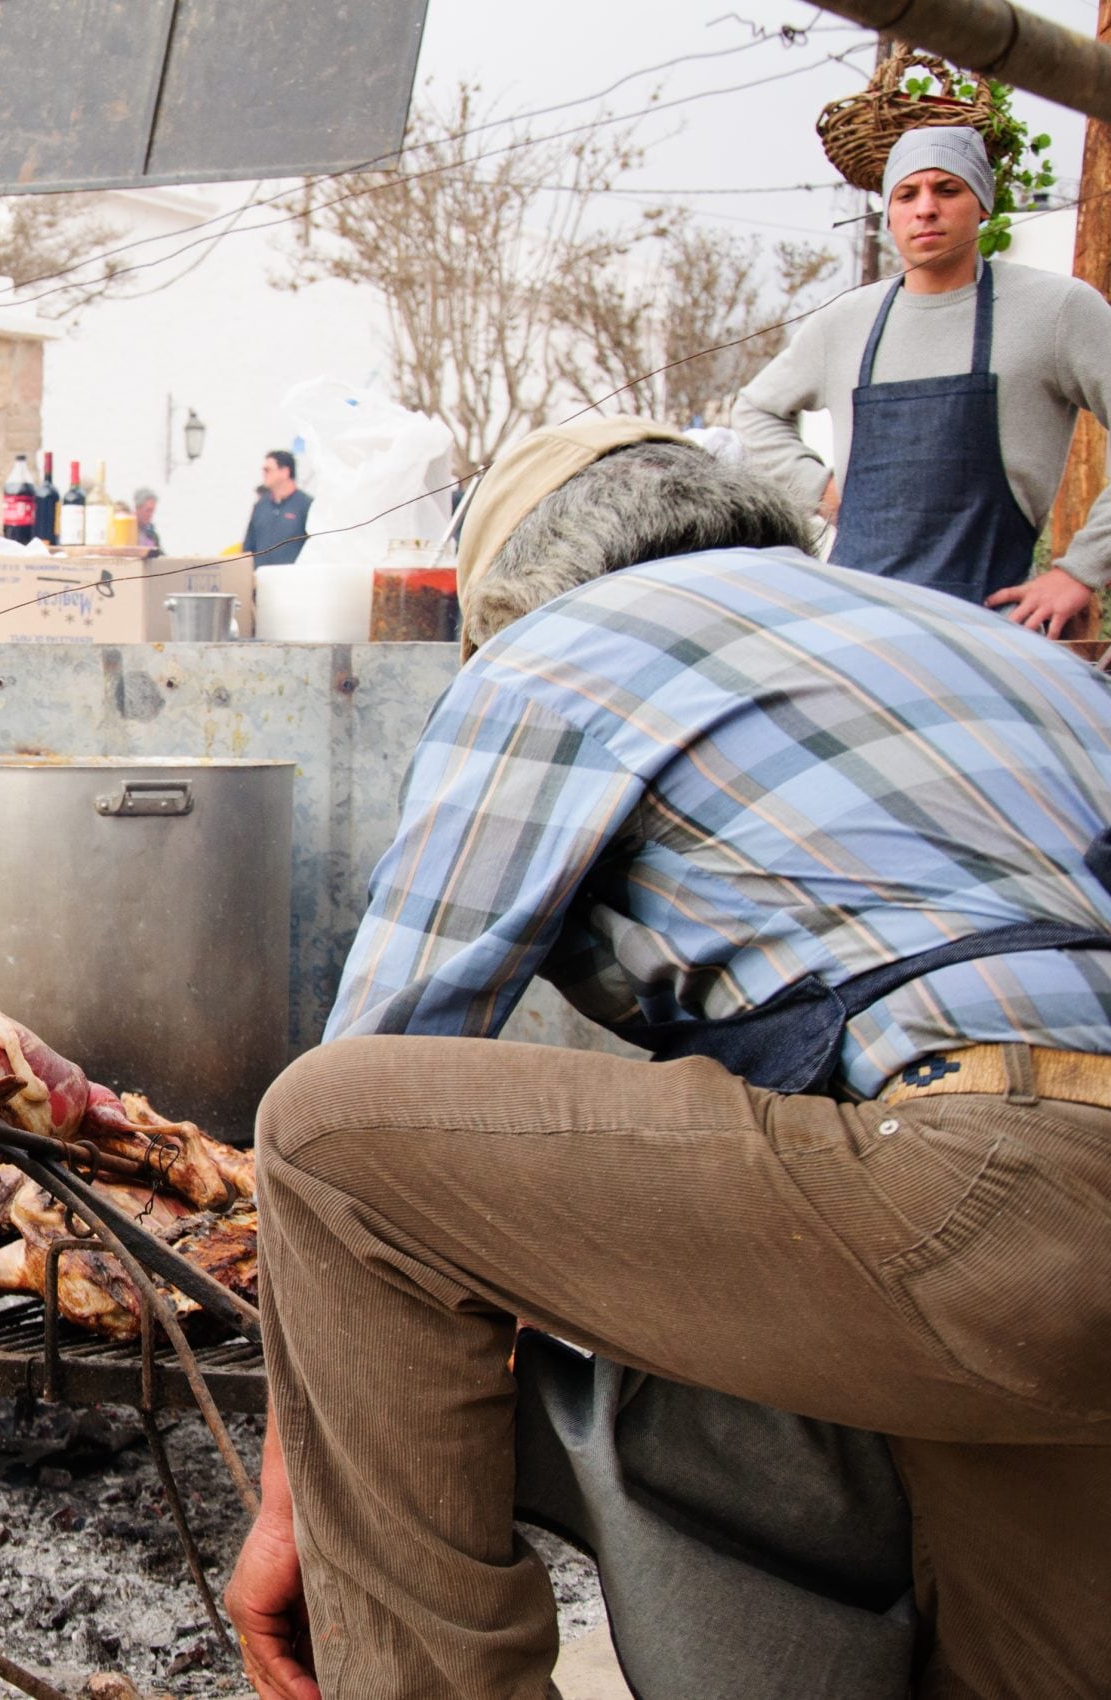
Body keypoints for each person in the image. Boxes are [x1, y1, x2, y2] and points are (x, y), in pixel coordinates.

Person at [225, 418, 1111, 1699]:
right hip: (1037, 1257)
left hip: (975, 1190)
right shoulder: (1011, 652)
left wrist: (290, 1496)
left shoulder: (562, 650)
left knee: (325, 1135)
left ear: (513, 594)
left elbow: (397, 1035)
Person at [735, 125, 1111, 635]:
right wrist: (820, 489)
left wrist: (1080, 571)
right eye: (907, 194)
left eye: (947, 189)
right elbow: (754, 409)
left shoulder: (1057, 309)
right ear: (888, 215)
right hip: (858, 625)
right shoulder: (845, 321)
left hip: (995, 628)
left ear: (983, 203)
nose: (925, 208)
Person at [241, 450, 311, 564]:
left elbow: (315, 546)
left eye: (267, 470)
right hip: (261, 577)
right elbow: (248, 546)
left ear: (285, 472)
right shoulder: (260, 506)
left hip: (292, 578)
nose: (263, 474)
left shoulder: (306, 505)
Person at [130, 486, 164, 557]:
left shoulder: (151, 534)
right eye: (148, 510)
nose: (150, 515)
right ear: (137, 509)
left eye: (152, 511)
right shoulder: (126, 530)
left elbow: (160, 555)